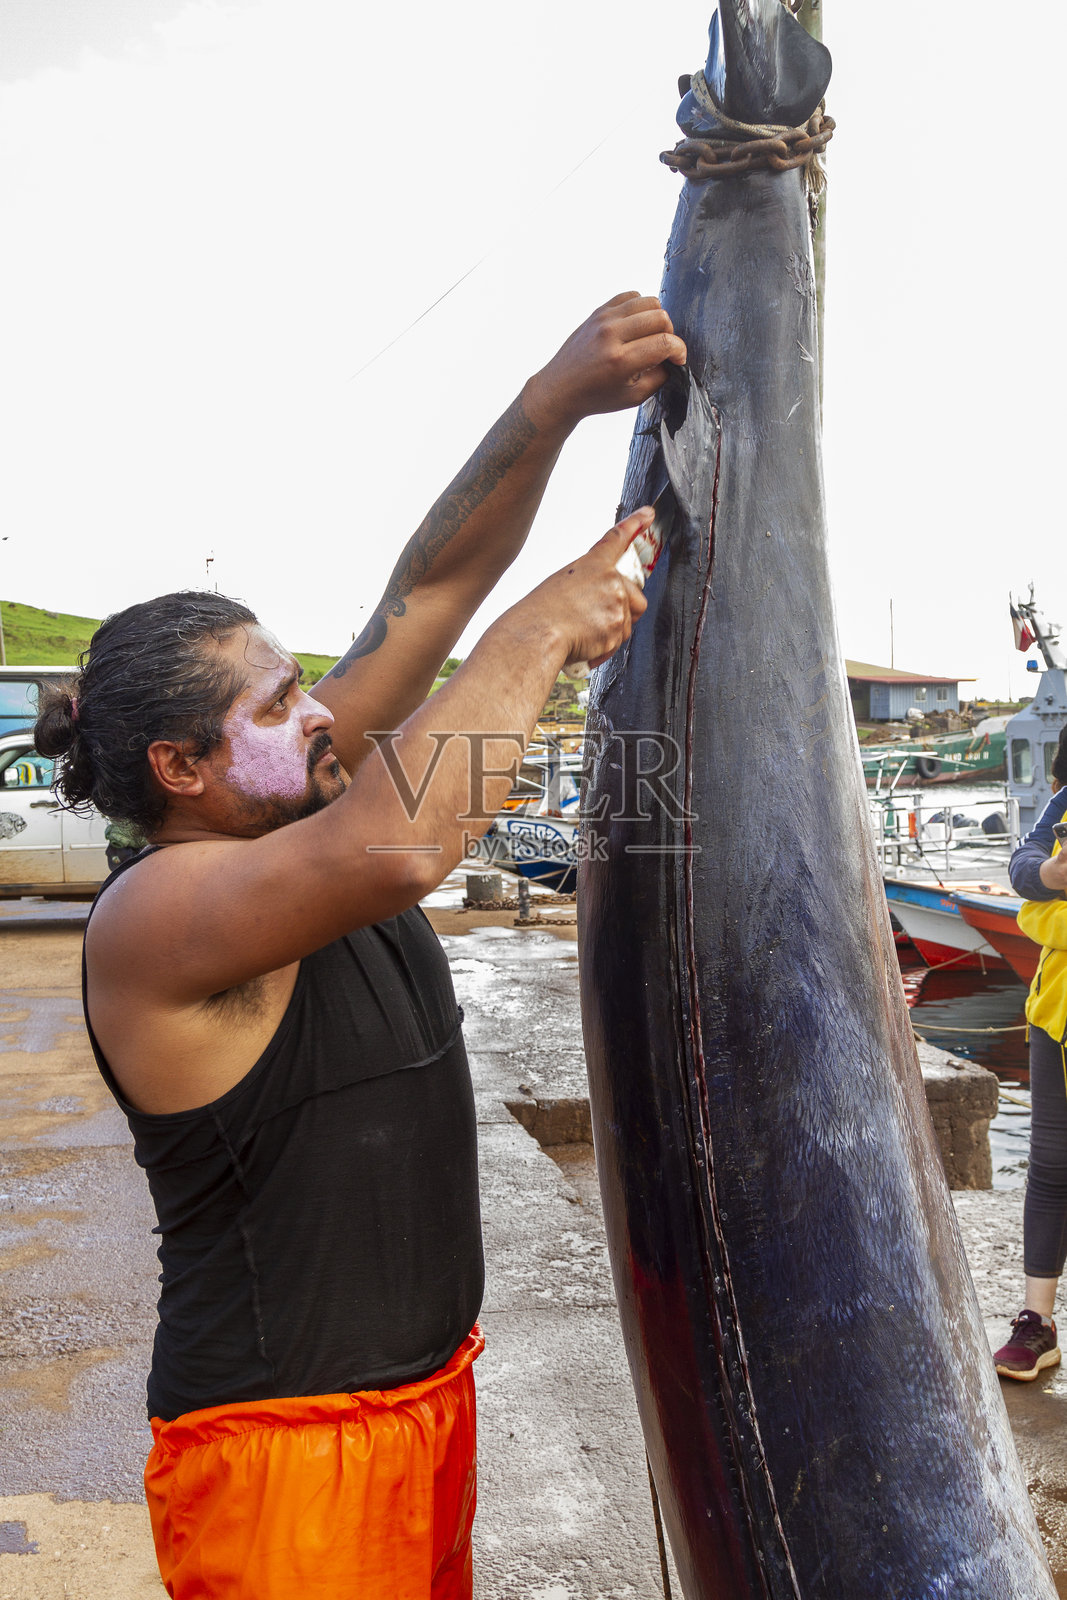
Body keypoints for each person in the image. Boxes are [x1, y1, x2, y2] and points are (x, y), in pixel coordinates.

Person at [35, 291, 686, 1599]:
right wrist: (543, 629)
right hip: (280, 1454)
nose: (319, 712)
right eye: (280, 701)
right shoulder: (156, 917)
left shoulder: (289, 790)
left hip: (422, 1406)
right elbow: (399, 847)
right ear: (179, 767)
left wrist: (547, 405)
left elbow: (428, 589)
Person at [995, 722, 1067, 1380]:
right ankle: (1036, 1322)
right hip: (1056, 1016)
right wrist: (1046, 875)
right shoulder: (1061, 807)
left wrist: (1044, 908)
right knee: (1049, 1164)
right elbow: (1025, 872)